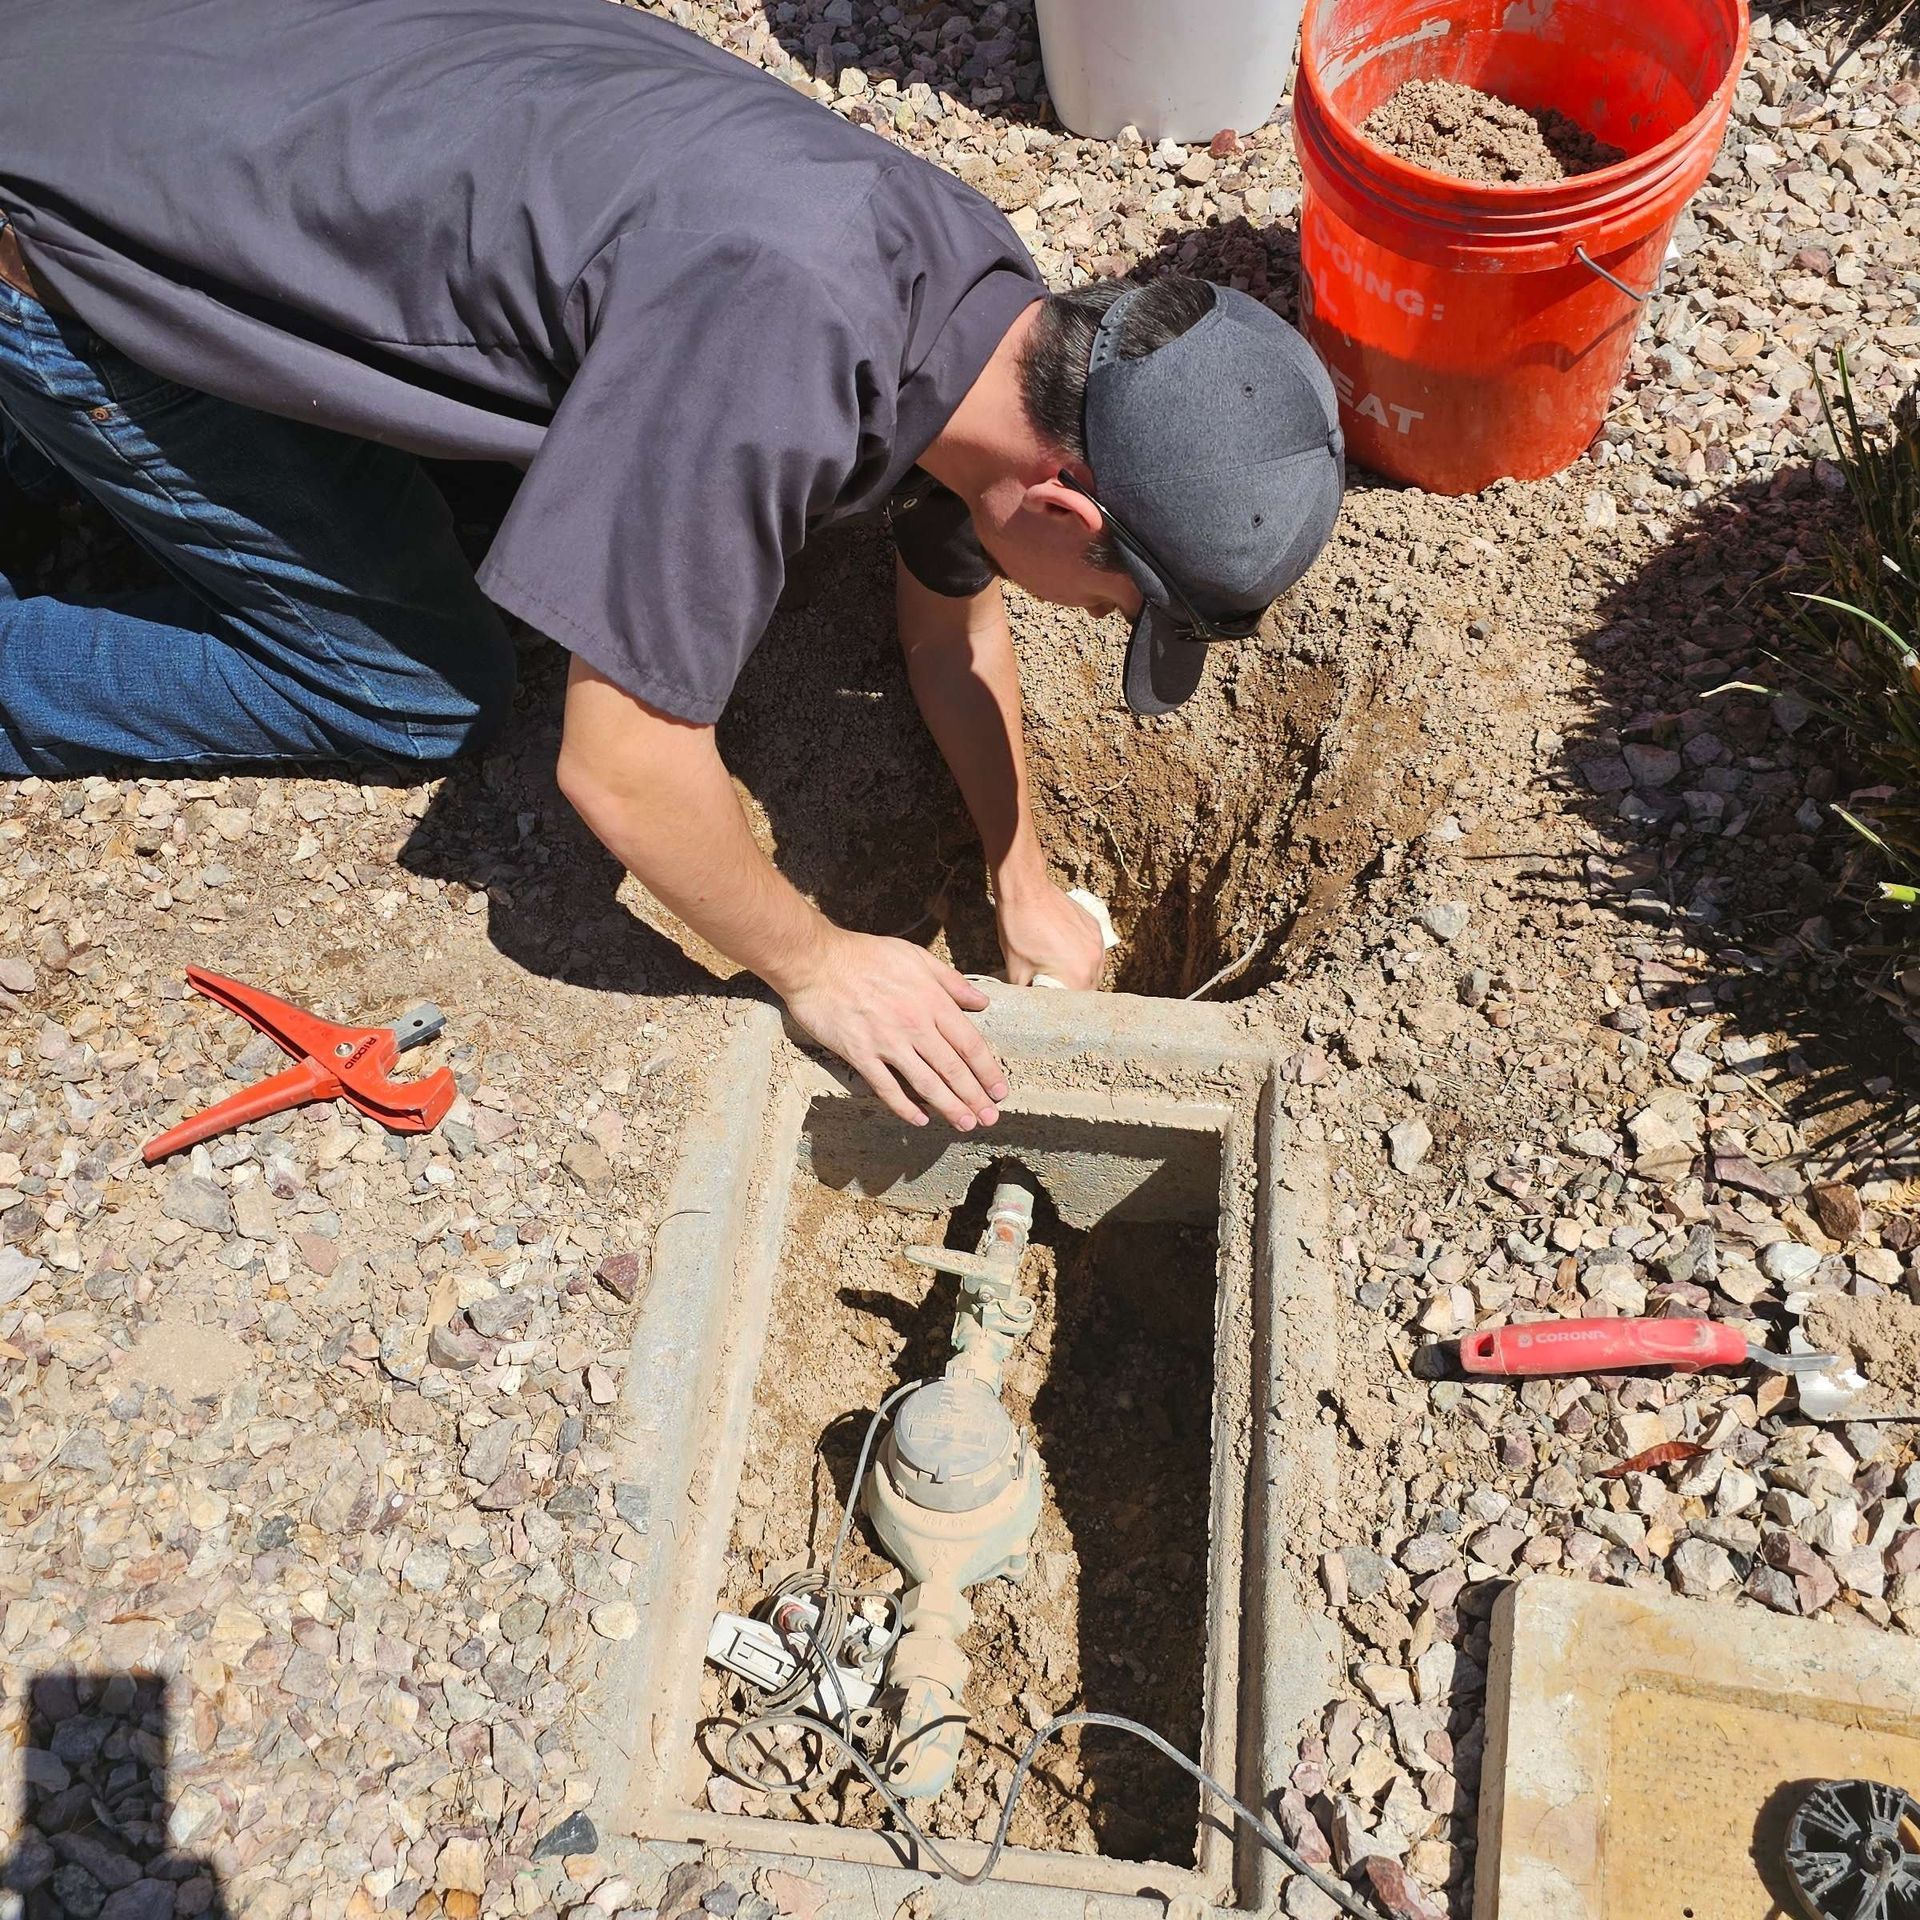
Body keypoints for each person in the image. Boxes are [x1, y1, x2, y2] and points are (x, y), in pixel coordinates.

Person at [0, 0, 1344, 1131]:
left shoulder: (997, 323)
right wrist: (815, 964)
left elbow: (950, 630)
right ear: (1069, 505)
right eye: (1116, 606)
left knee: (503, 532)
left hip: (170, 65)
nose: (1090, 620)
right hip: (67, 237)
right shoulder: (780, 336)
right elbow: (621, 769)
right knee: (414, 688)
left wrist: (1022, 876)